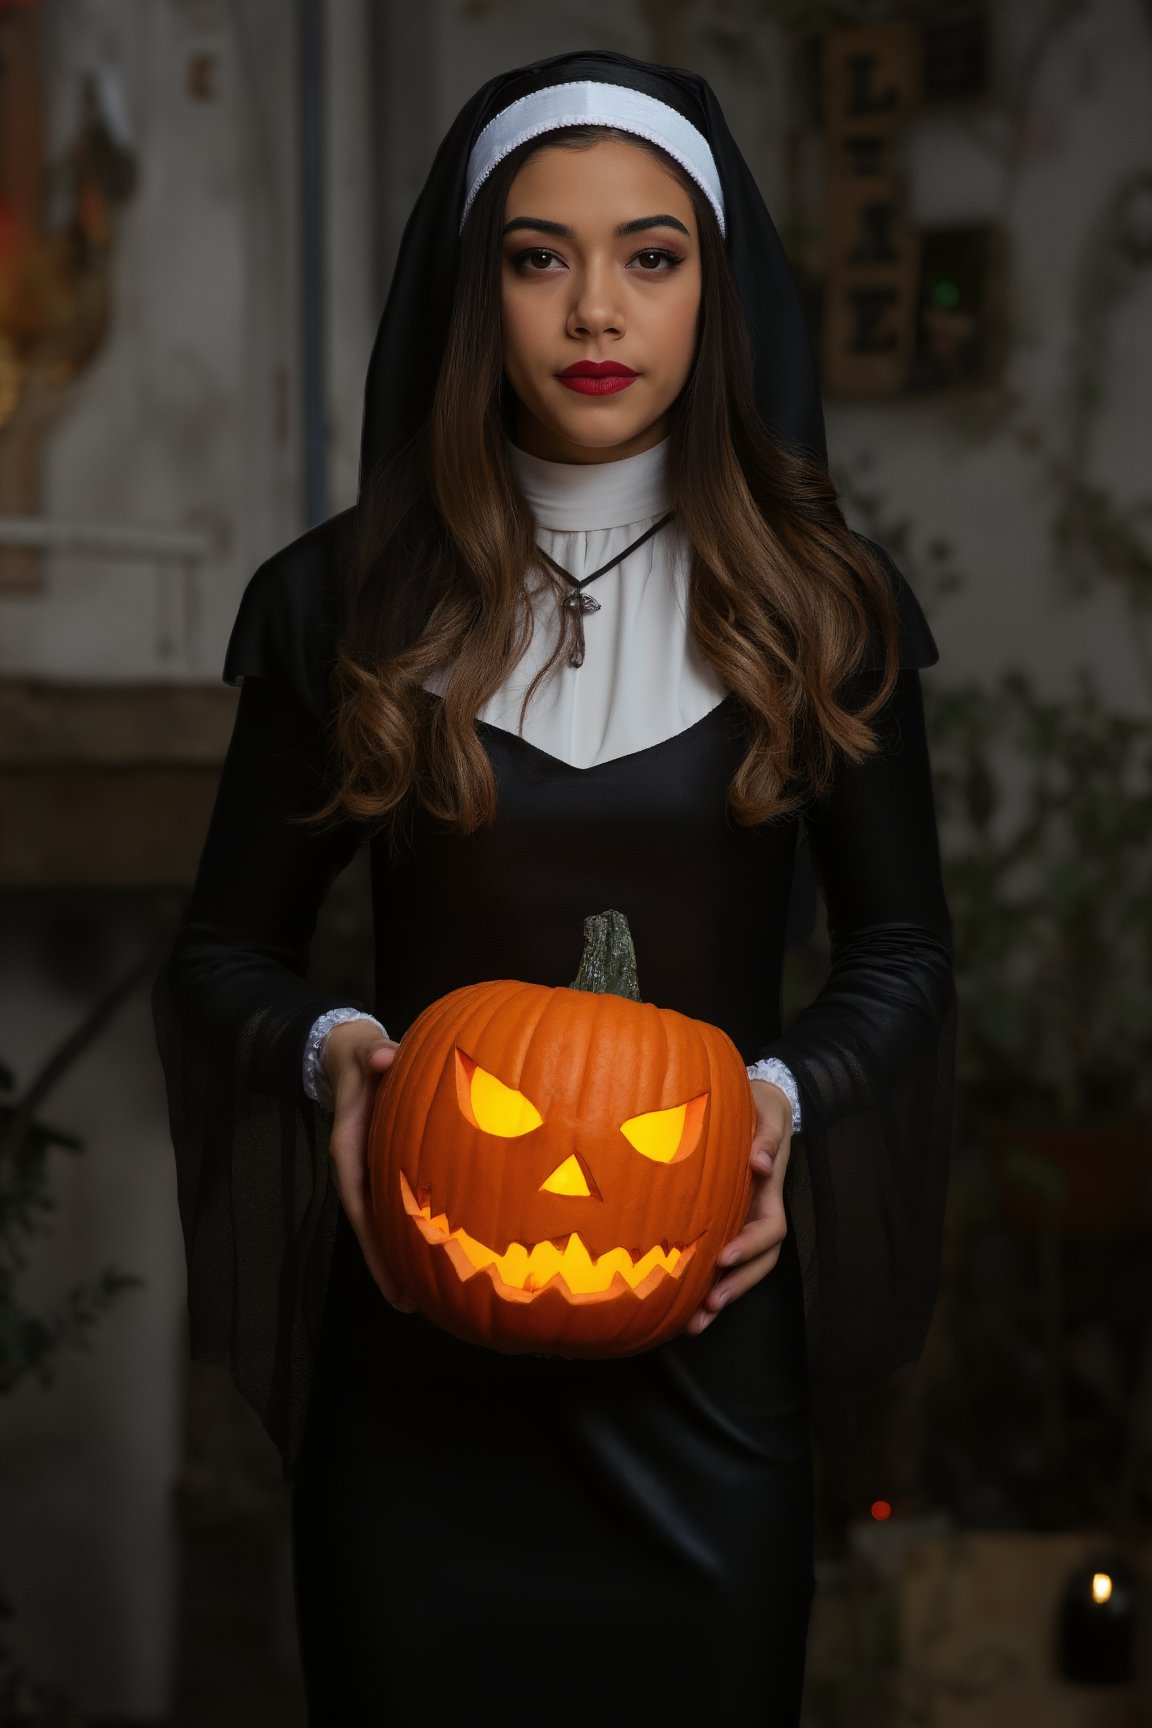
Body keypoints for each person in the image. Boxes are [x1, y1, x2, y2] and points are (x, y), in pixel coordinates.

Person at [152, 48, 956, 1721]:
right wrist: (341, 1063)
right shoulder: (340, 604)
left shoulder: (825, 607)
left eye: (650, 256)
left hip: (707, 1363)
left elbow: (902, 952)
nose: (597, 309)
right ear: (478, 289)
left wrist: (787, 1100)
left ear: (712, 290)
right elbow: (224, 953)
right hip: (421, 1362)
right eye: (541, 256)